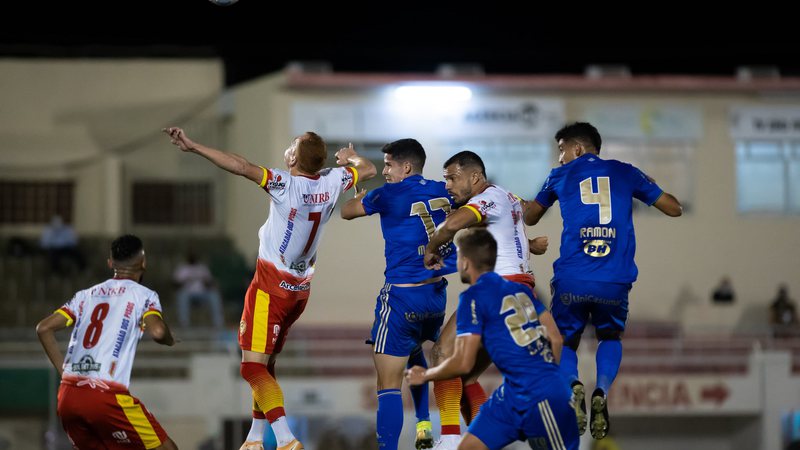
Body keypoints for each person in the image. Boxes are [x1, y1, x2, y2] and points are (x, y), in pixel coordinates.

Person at [163, 127, 376, 450]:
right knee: (265, 365)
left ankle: (286, 439)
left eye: (292, 146)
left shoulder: (284, 183)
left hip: (269, 287)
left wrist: (194, 147)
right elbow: (369, 169)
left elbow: (240, 166)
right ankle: (255, 437)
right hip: (299, 290)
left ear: (293, 159)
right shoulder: (334, 180)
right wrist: (352, 158)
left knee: (251, 368)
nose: (288, 148)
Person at [523, 122, 682, 440]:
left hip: (572, 279)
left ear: (577, 148)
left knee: (565, 341)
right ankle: (602, 391)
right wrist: (647, 183)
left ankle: (574, 386)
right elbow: (675, 208)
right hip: (614, 281)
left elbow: (530, 217)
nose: (560, 158)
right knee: (610, 337)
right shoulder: (626, 172)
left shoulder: (558, 176)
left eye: (561, 150)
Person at [407, 228, 578, 450]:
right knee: (468, 447)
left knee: (445, 355)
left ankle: (449, 439)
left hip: (538, 393)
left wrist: (426, 375)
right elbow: (555, 338)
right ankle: (451, 441)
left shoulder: (473, 298)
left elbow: (463, 362)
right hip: (513, 395)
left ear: (466, 263)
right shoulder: (519, 290)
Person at [423, 150, 548, 450]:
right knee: (466, 377)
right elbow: (517, 220)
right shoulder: (507, 196)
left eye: (453, 178)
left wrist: (431, 247)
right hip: (522, 292)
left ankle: (449, 439)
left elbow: (451, 226)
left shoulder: (488, 198)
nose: (448, 185)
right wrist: (530, 243)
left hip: (497, 290)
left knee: (442, 355)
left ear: (476, 176)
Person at [340, 138, 456, 450]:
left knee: (387, 384)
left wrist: (359, 194)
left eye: (389, 165)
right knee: (413, 345)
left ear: (406, 167)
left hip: (403, 296)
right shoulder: (444, 190)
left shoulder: (387, 194)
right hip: (436, 295)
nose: (385, 171)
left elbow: (347, 212)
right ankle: (424, 423)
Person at [35, 235, 178, 450]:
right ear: (143, 262)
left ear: (110, 263)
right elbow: (158, 332)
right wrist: (170, 339)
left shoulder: (85, 295)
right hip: (106, 396)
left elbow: (43, 328)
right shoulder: (144, 295)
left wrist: (65, 374)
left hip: (68, 396)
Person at [173, 252, 225, 329]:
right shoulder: (182, 268)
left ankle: (218, 323)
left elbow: (210, 282)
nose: (193, 257)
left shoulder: (202, 268)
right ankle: (184, 323)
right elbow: (175, 284)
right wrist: (185, 281)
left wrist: (206, 282)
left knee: (214, 294)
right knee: (182, 295)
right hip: (188, 294)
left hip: (202, 294)